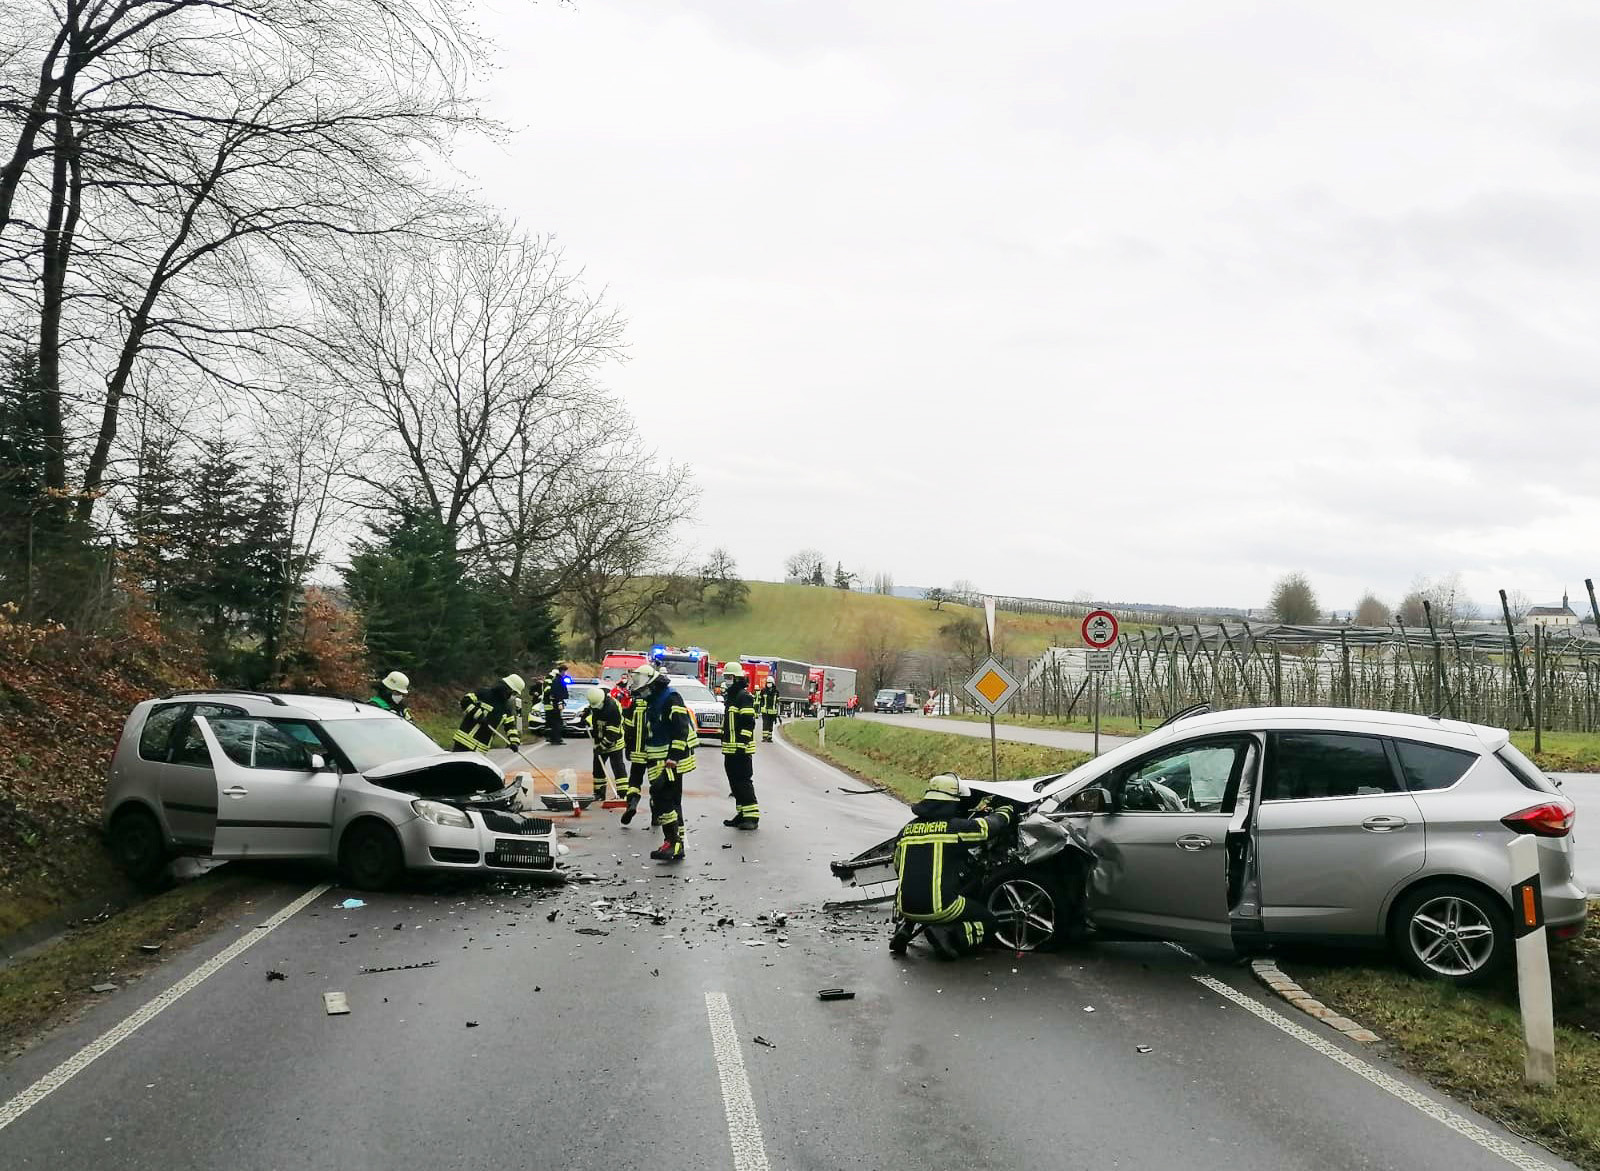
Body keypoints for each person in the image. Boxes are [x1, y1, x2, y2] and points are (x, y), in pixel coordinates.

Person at [889, 774, 1014, 958]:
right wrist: (1007, 809)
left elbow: (899, 868)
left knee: (920, 887)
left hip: (905, 907)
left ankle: (905, 929)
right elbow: (988, 827)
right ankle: (951, 934)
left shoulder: (905, 831)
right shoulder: (953, 828)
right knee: (990, 922)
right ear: (951, 803)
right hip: (943, 908)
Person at [629, 662, 697, 861]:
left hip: (671, 760)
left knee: (664, 798)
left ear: (652, 684)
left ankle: (674, 843)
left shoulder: (670, 699)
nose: (641, 694)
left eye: (643, 690)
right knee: (667, 799)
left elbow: (680, 729)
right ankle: (675, 841)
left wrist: (673, 758)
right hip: (660, 757)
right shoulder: (655, 699)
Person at [719, 661, 759, 828]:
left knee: (743, 782)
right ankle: (742, 814)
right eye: (726, 677)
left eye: (729, 677)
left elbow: (749, 722)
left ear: (737, 678)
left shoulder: (743, 696)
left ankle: (752, 818)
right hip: (730, 748)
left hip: (741, 749)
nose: (727, 680)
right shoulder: (732, 697)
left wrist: (742, 743)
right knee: (734, 783)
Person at [453, 674, 525, 753]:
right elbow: (465, 701)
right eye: (513, 693)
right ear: (507, 689)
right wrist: (478, 715)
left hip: (480, 749)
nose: (513, 696)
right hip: (463, 742)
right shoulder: (484, 693)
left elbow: (510, 727)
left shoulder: (507, 709)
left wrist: (514, 742)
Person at [585, 686, 626, 802]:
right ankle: (599, 793)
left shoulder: (613, 709)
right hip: (599, 739)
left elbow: (613, 734)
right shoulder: (597, 700)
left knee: (618, 768)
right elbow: (592, 709)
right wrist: (586, 714)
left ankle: (623, 794)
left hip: (614, 742)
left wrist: (602, 747)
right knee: (598, 769)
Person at [619, 681, 649, 825]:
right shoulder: (657, 703)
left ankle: (632, 803)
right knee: (656, 785)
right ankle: (656, 815)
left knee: (634, 781)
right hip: (655, 752)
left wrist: (628, 747)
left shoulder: (634, 705)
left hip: (637, 751)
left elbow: (628, 728)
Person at [543, 664, 569, 744]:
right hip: (556, 704)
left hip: (554, 704)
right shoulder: (558, 680)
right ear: (562, 671)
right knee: (557, 722)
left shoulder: (557, 679)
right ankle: (557, 739)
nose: (565, 673)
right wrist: (560, 702)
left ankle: (553, 738)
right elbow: (557, 693)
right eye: (565, 671)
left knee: (554, 722)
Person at [758, 677, 780, 743]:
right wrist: (760, 707)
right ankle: (764, 737)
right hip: (765, 711)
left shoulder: (776, 692)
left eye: (770, 683)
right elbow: (761, 700)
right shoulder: (763, 691)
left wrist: (777, 713)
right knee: (765, 724)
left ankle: (769, 738)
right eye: (768, 683)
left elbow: (777, 702)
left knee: (770, 724)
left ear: (773, 683)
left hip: (773, 711)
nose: (769, 684)